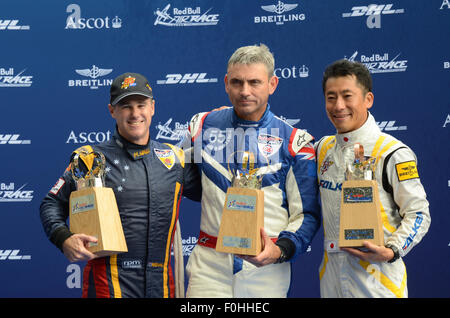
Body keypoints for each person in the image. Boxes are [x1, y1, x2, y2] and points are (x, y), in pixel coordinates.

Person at [40, 72, 201, 298]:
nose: (135, 114)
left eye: (141, 105)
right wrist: (63, 238)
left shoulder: (175, 159)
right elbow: (51, 203)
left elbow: (214, 194)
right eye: (126, 106)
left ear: (152, 107)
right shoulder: (90, 159)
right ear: (112, 110)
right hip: (109, 286)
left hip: (162, 287)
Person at [183, 44, 321, 297]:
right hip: (209, 266)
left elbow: (307, 214)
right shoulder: (201, 126)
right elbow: (177, 181)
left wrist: (279, 250)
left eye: (254, 82)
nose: (244, 91)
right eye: (237, 82)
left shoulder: (295, 142)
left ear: (272, 84)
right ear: (226, 83)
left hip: (264, 267)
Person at [315, 59, 431, 298]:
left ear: (368, 99)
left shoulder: (392, 152)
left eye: (347, 96)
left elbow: (419, 213)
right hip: (331, 280)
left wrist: (391, 250)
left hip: (379, 282)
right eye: (331, 97)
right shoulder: (321, 149)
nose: (338, 106)